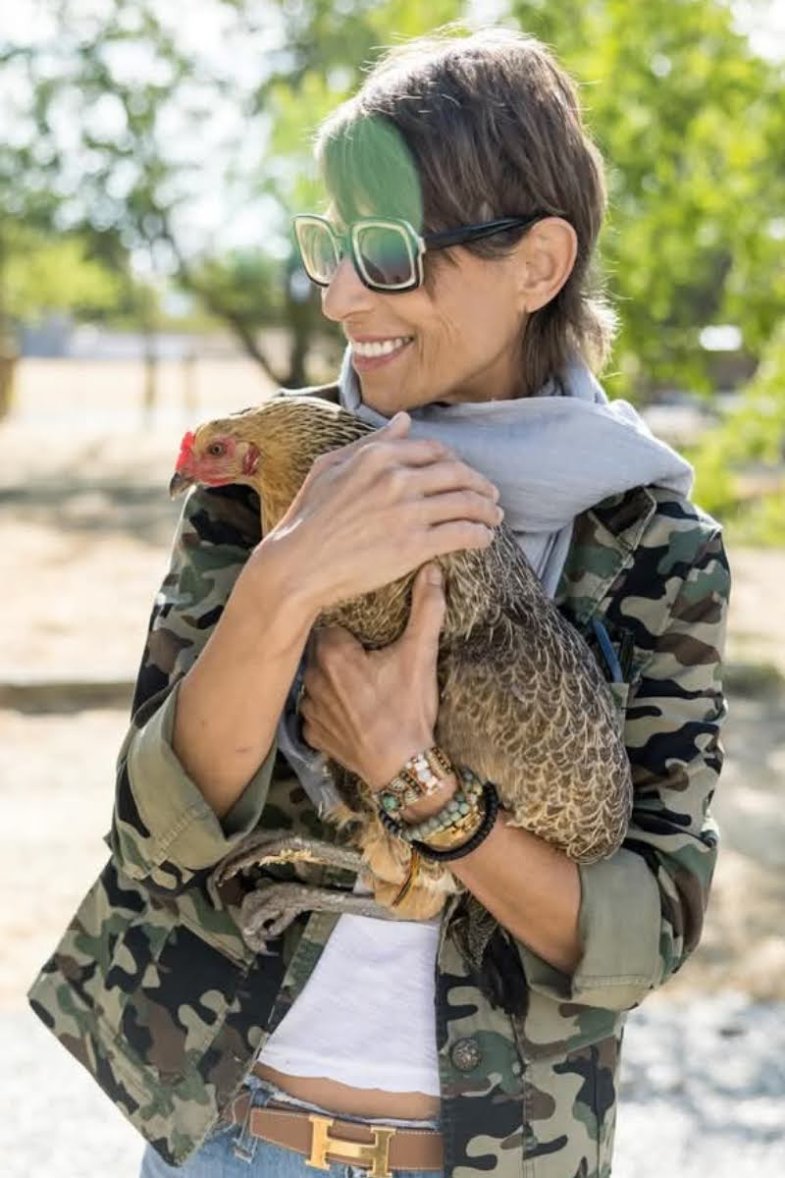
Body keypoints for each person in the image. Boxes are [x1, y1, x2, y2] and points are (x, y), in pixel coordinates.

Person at [28, 27, 730, 1178]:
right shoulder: (267, 471)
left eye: (391, 252)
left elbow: (633, 936)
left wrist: (420, 781)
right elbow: (155, 831)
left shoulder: (651, 543)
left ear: (537, 265)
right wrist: (288, 575)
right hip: (229, 1141)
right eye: (335, 245)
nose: (342, 291)